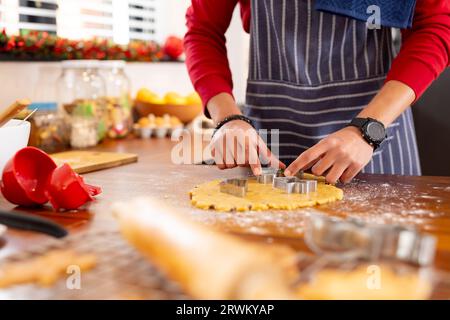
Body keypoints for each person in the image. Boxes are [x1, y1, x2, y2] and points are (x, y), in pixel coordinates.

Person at [184, 0, 450, 183]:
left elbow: (437, 26)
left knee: (382, 263)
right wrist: (228, 120)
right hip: (269, 148)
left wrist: (368, 129)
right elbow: (202, 31)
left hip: (375, 139)